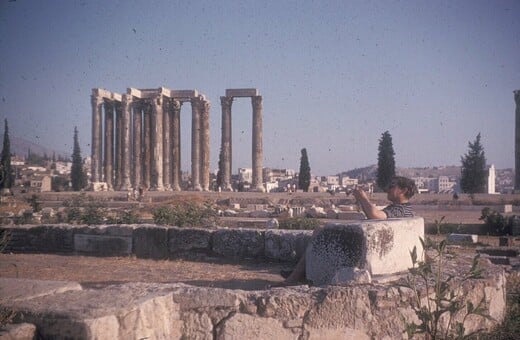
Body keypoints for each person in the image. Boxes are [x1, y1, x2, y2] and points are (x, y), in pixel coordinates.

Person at [281, 176, 417, 285]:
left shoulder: (399, 209)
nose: (388, 188)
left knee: (320, 232)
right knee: (322, 232)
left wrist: (362, 198)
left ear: (403, 190)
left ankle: (294, 277)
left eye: (392, 186)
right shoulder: (406, 209)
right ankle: (301, 272)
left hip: (367, 254)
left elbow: (375, 216)